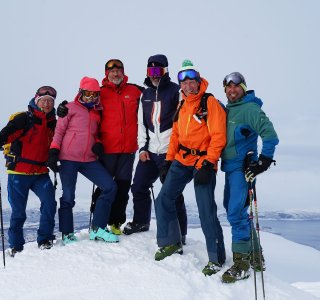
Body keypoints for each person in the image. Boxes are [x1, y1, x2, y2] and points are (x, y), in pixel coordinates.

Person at [154, 60, 226, 277]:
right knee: (163, 199)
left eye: (191, 81)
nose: (187, 86)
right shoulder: (182, 104)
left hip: (203, 162)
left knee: (206, 210)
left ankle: (216, 258)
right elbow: (175, 135)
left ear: (198, 81)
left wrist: (208, 163)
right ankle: (171, 242)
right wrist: (168, 161)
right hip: (181, 159)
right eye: (183, 82)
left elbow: (218, 137)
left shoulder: (209, 103)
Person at [57, 60, 143, 236]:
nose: (116, 74)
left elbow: (153, 102)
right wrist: (62, 109)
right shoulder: (100, 93)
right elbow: (87, 113)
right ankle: (98, 222)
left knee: (122, 186)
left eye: (119, 70)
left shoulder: (135, 90)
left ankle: (116, 222)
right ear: (106, 74)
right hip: (106, 148)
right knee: (105, 186)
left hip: (128, 149)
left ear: (124, 72)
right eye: (112, 71)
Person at [220, 72, 279, 283]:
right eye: (228, 87)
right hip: (230, 168)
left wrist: (263, 161)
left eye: (236, 86)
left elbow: (270, 135)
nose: (232, 90)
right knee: (234, 209)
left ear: (243, 88)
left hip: (242, 170)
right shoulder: (228, 109)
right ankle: (256, 255)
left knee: (235, 213)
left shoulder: (250, 108)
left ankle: (242, 263)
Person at [122, 54, 187, 241]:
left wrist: (176, 149)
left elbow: (181, 123)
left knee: (173, 192)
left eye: (158, 71)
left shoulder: (176, 91)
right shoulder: (146, 94)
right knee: (138, 186)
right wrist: (142, 149)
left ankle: (180, 232)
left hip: (169, 151)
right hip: (150, 151)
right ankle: (141, 221)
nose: (154, 75)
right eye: (151, 71)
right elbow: (141, 123)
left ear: (166, 71)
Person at [47, 76, 118, 244]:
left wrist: (98, 144)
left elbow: (96, 135)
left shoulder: (96, 112)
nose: (90, 98)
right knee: (68, 196)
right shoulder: (69, 108)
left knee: (110, 186)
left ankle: (98, 229)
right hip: (68, 159)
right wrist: (53, 152)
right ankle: (67, 233)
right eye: (87, 94)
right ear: (80, 92)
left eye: (94, 95)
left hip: (89, 160)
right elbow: (59, 132)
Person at [0, 86, 58, 256]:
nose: (47, 104)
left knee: (49, 204)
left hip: (40, 172)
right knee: (18, 212)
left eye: (50, 101)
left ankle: (45, 239)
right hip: (19, 172)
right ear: (36, 100)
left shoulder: (53, 122)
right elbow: (6, 134)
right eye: (44, 100)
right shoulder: (23, 119)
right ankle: (16, 247)